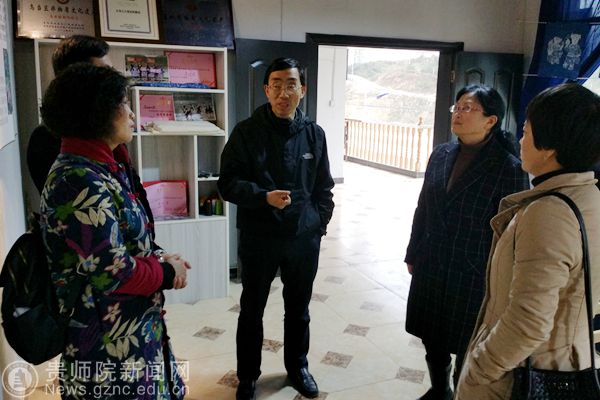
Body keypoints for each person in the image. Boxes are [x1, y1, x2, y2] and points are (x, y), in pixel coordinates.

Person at [40, 64, 191, 399]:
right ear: (96, 113)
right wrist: (167, 272)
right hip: (107, 344)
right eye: (123, 103)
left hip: (129, 330)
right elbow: (113, 272)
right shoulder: (78, 180)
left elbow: (122, 239)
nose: (132, 113)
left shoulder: (102, 166)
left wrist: (159, 257)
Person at [455, 83, 600, 400]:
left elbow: (529, 321)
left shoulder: (550, 212)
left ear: (549, 147)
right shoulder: (590, 196)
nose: (520, 141)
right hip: (568, 358)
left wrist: (480, 369)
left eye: (526, 131)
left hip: (524, 373)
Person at [217, 57, 335, 400]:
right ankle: (247, 376)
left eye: (291, 85)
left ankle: (298, 368)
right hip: (259, 237)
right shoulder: (246, 132)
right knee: (252, 309)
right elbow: (227, 183)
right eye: (277, 85)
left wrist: (318, 225)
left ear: (303, 90)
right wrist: (263, 197)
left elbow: (324, 187)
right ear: (266, 90)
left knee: (298, 309)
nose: (284, 93)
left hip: (302, 238)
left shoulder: (314, 134)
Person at [404, 84, 530, 400]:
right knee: (431, 334)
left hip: (474, 270)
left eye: (468, 108)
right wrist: (413, 251)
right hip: (432, 262)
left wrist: (504, 277)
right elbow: (423, 206)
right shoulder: (441, 154)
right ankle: (440, 390)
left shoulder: (508, 167)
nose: (458, 113)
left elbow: (512, 232)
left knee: (466, 341)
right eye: (457, 107)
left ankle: (462, 393)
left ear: (491, 120)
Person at [26, 35, 157, 238]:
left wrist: (151, 247)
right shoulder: (51, 144)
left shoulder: (106, 135)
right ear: (79, 79)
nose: (110, 80)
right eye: (102, 72)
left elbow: (133, 190)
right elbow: (85, 227)